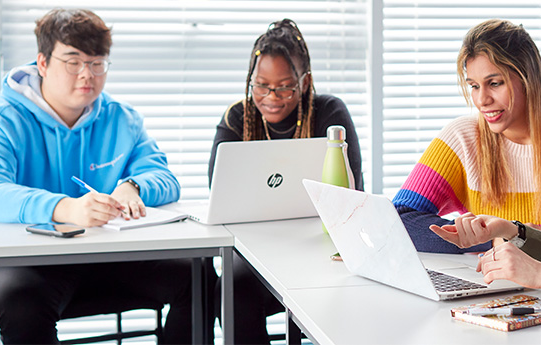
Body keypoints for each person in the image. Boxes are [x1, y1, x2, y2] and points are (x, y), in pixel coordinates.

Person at [0, 9, 192, 344]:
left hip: (109, 256)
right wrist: (63, 208)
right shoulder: (1, 120)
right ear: (42, 63)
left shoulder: (121, 118)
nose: (87, 75)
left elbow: (164, 178)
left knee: (195, 276)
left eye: (98, 63)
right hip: (34, 266)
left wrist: (132, 186)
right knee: (17, 300)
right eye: (73, 61)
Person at [209, 19, 363, 344]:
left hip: (316, 247)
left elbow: (351, 191)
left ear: (305, 82)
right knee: (231, 291)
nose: (272, 96)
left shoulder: (328, 113)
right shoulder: (238, 117)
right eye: (261, 85)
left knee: (346, 292)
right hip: (252, 251)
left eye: (285, 86)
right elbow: (219, 191)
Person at [392, 19, 541, 289]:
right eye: (474, 86)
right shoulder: (464, 137)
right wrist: (493, 239)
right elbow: (399, 220)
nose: (482, 100)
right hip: (497, 297)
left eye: (494, 83)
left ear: (528, 78)